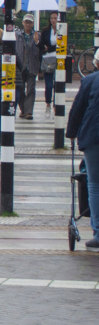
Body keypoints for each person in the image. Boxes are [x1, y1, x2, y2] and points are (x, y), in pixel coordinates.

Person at [67, 47, 99, 251]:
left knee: (95, 184)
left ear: (96, 63)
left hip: (93, 137)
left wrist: (71, 132)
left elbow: (77, 109)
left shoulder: (89, 81)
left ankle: (98, 232)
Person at [15, 13, 41, 120]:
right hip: (20, 65)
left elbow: (41, 50)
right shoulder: (17, 34)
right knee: (20, 88)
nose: (28, 24)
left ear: (33, 24)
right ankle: (23, 109)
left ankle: (29, 111)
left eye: (30, 22)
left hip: (32, 65)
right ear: (23, 23)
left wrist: (37, 42)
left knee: (30, 89)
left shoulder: (36, 35)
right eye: (26, 22)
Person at [39, 11, 58, 118]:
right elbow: (42, 45)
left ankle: (56, 105)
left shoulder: (62, 30)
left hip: (58, 59)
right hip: (47, 59)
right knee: (49, 84)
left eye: (55, 18)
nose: (53, 20)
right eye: (51, 18)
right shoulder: (46, 31)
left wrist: (49, 48)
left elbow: (62, 45)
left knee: (58, 84)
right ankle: (48, 104)